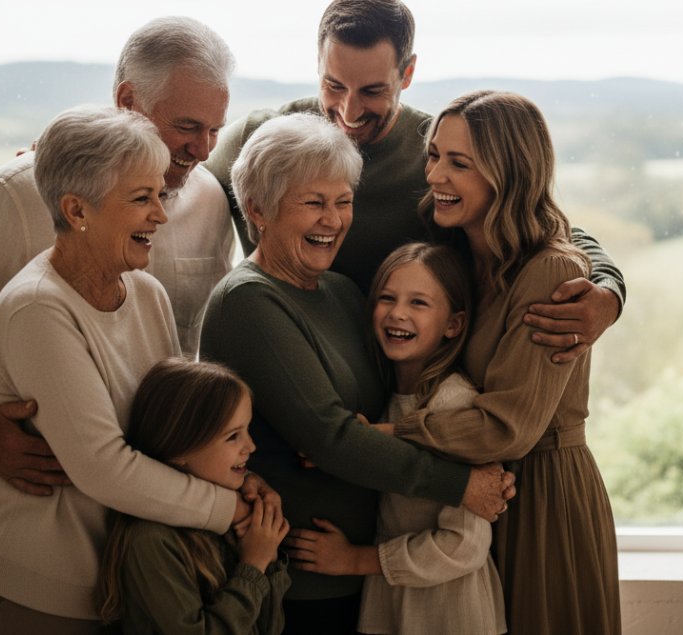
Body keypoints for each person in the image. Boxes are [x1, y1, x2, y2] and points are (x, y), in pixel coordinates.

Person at [200, 114, 514, 635]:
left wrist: (358, 439)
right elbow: (332, 436)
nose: (333, 220)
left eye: (343, 201)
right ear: (257, 209)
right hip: (302, 575)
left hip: (371, 576)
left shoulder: (343, 293)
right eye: (313, 202)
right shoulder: (248, 301)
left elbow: (370, 421)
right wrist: (462, 486)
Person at [0, 17, 237, 500]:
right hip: (37, 509)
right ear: (128, 102)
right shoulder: (19, 194)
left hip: (158, 519)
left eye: (215, 130)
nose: (203, 149)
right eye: (186, 126)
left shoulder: (209, 198)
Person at [207, 0, 626, 363]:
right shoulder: (259, 139)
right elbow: (174, 185)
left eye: (372, 91)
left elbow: (541, 219)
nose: (348, 113)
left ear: (407, 74)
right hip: (283, 361)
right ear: (317, 65)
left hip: (407, 381)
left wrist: (609, 292)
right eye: (333, 85)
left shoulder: (438, 154)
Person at [0, 106, 252, 633]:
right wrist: (228, 509)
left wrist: (243, 481)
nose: (160, 216)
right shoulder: (38, 309)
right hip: (35, 585)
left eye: (158, 195)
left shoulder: (146, 292)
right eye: (141, 199)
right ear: (77, 210)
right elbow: (104, 467)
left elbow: (167, 430)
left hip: (116, 584)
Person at [393, 91, 622, 634]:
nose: (435, 176)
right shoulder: (453, 244)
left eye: (460, 163)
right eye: (434, 156)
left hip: (541, 498)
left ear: (510, 174)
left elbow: (508, 428)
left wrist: (384, 433)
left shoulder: (549, 271)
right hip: (475, 494)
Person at [286, 242, 507, 635]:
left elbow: (465, 545)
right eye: (387, 298)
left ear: (453, 324)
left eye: (419, 303)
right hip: (391, 603)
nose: (398, 313)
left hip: (447, 609)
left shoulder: (455, 404)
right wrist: (341, 453)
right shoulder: (386, 399)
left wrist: (354, 561)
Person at [98, 358, 292, 635]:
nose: (251, 445)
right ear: (180, 449)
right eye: (233, 436)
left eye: (247, 430)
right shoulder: (151, 540)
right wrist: (254, 565)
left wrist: (268, 556)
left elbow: (270, 628)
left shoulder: (235, 517)